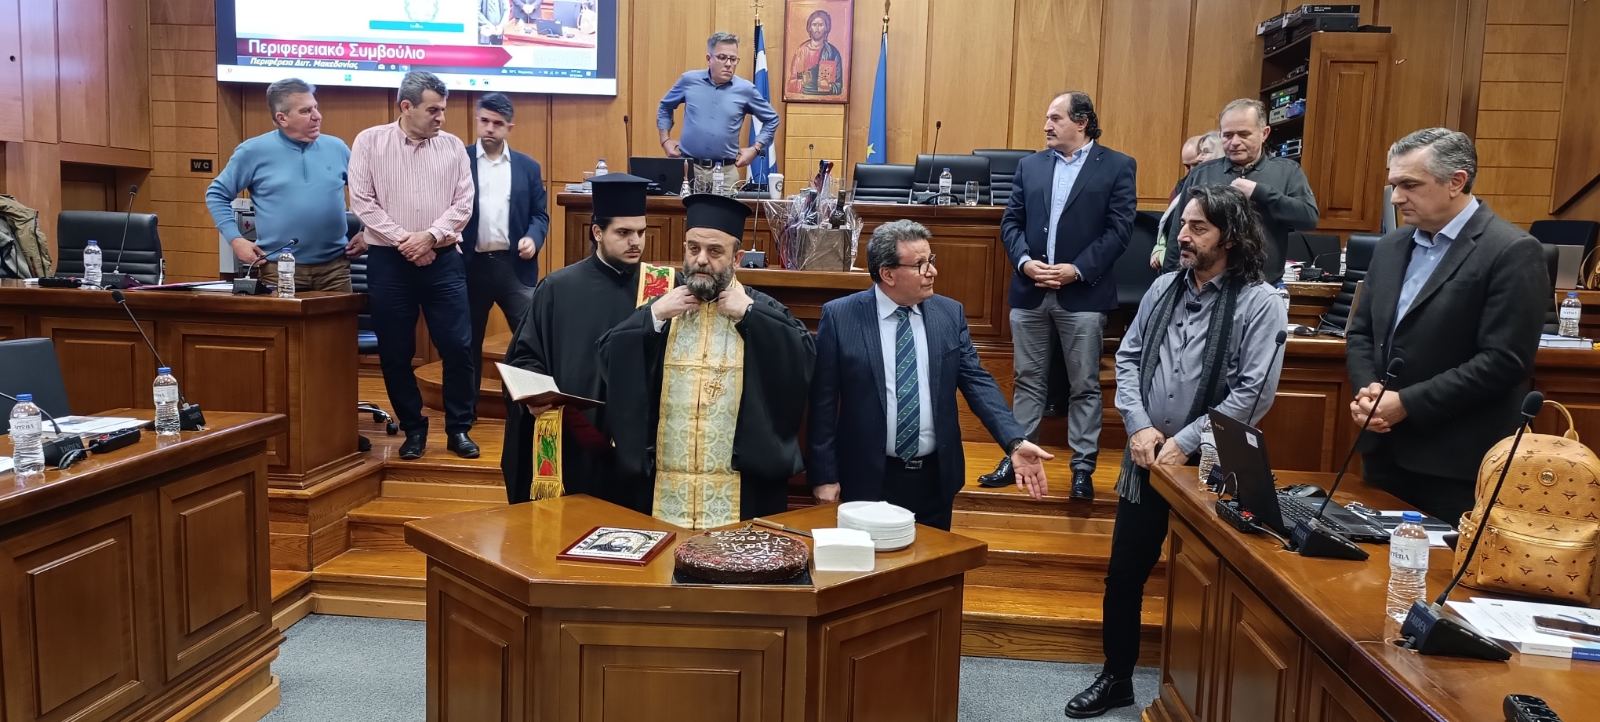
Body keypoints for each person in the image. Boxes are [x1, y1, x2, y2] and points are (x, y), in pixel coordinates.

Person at [1066, 185, 1286, 719]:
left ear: (1230, 238)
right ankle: (1116, 678)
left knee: (1205, 588)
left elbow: (1253, 394)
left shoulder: (1261, 303)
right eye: (1182, 225)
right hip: (1145, 460)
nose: (1182, 236)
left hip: (1211, 467)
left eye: (1198, 228)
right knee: (1124, 574)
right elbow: (1128, 358)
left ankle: (1207, 696)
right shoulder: (1164, 287)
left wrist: (1183, 443)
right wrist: (1139, 428)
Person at [1346, 128, 1548, 524]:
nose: (1396, 197)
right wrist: (1370, 392)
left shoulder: (1511, 251)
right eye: (1393, 184)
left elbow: (1504, 360)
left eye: (1409, 185)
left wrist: (1406, 403)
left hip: (1454, 463)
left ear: (1456, 181)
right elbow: (1361, 332)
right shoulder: (1391, 246)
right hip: (1383, 450)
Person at [808, 220, 1055, 531]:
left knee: (932, 561)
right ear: (888, 274)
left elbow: (977, 382)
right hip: (867, 478)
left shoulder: (949, 314)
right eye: (920, 264)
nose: (932, 271)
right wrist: (824, 476)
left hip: (934, 478)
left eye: (931, 260)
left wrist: (1014, 441)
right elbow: (823, 403)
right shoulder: (841, 316)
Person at [596, 194, 814, 529]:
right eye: (693, 248)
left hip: (741, 493)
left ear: (736, 258)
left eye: (714, 252)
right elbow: (609, 356)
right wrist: (654, 316)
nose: (700, 260)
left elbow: (803, 360)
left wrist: (751, 316)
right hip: (663, 489)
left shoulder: (760, 309)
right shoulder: (663, 306)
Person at [984, 91, 1136, 501]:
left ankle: (1082, 468)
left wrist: (1077, 269)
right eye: (1046, 118)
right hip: (1031, 289)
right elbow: (1011, 223)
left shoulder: (1118, 166)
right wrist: (1024, 262)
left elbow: (1119, 230)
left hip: (1082, 293)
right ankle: (1017, 455)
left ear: (1082, 122)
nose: (1046, 126)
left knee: (1083, 384)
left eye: (1055, 118)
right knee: (1028, 380)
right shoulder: (1030, 166)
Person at [500, 173, 669, 504]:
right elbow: (525, 356)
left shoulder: (661, 289)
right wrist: (536, 394)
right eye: (623, 233)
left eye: (641, 232)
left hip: (642, 446)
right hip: (573, 441)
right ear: (597, 233)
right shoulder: (557, 289)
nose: (636, 242)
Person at [348, 71, 477, 460]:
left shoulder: (453, 147)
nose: (441, 118)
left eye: (443, 110)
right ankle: (414, 429)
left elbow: (464, 204)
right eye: (433, 110)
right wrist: (407, 241)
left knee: (458, 347)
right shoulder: (370, 141)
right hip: (389, 263)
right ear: (406, 106)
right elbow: (363, 201)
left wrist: (430, 237)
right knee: (395, 351)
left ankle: (459, 429)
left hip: (443, 260)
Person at [205, 78, 358, 292]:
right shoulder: (253, 151)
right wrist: (236, 239)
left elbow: (369, 193)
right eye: (306, 111)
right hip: (280, 271)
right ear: (282, 118)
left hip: (336, 271)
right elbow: (216, 194)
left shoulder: (337, 148)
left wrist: (367, 233)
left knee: (341, 317)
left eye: (316, 107)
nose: (317, 116)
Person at [1160, 99, 1318, 284]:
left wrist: (1261, 193)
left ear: (1264, 133)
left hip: (1263, 285)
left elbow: (1308, 218)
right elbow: (1177, 233)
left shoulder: (1287, 172)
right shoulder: (1202, 174)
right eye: (1227, 135)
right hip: (1206, 285)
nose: (1234, 142)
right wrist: (1170, 280)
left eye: (1244, 134)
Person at [462, 92, 548, 417]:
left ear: (509, 127)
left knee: (531, 337)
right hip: (470, 267)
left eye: (497, 123)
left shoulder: (528, 167)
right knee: (467, 342)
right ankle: (465, 415)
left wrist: (533, 238)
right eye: (484, 121)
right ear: (477, 120)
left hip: (514, 267)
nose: (489, 128)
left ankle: (529, 407)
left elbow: (540, 215)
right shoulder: (460, 161)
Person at [658, 32, 781, 189]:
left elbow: (772, 119)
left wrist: (756, 149)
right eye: (722, 57)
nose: (729, 64)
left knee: (726, 207)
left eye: (733, 59)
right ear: (709, 59)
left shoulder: (746, 89)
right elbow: (665, 106)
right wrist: (665, 140)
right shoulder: (689, 81)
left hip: (726, 173)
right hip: (688, 170)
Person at [1150, 131, 1223, 269]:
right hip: (1176, 267)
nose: (1191, 171)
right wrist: (1160, 248)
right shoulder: (1180, 188)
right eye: (1187, 166)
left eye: (1204, 152)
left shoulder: (1223, 194)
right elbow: (1171, 227)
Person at [786, 10, 844, 97]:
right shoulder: (801, 51)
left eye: (820, 25)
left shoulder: (833, 53)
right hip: (803, 99)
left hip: (826, 101)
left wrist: (828, 86)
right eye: (814, 24)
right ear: (809, 27)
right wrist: (803, 81)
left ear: (826, 28)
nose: (817, 28)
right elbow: (791, 84)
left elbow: (838, 87)